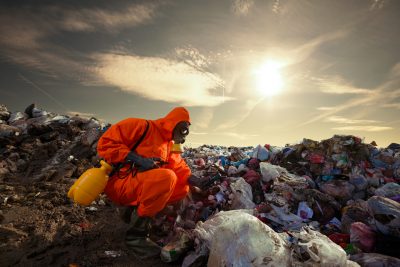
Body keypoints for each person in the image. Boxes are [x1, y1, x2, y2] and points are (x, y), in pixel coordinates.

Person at [97, 107, 202, 257]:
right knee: (167, 178)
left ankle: (133, 212)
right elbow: (105, 143)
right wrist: (138, 159)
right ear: (176, 125)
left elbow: (178, 166)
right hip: (120, 182)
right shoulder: (141, 126)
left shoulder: (168, 144)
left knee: (182, 187)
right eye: (183, 130)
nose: (183, 136)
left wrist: (196, 180)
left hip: (139, 184)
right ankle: (136, 238)